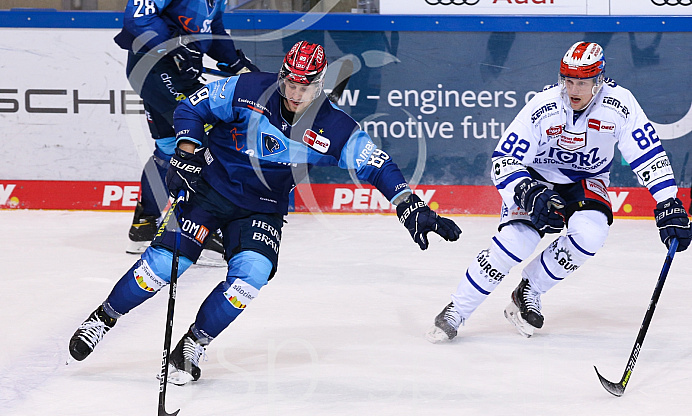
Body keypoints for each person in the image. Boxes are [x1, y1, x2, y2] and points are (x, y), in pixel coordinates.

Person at [69, 41, 461, 384]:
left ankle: (192, 346)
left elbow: (377, 164)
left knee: (250, 277)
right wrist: (186, 153)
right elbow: (192, 107)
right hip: (207, 190)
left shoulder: (334, 126)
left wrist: (409, 203)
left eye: (303, 86)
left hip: (262, 209)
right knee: (162, 267)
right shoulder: (249, 89)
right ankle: (103, 319)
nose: (294, 93)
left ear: (318, 84)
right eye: (290, 83)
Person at [427, 41, 692, 343]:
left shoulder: (621, 105)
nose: (573, 90)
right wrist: (527, 191)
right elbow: (503, 160)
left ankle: (530, 289)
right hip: (536, 178)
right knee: (517, 242)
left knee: (591, 233)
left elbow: (649, 156)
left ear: (599, 81)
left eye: (582, 82)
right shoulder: (544, 105)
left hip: (586, 180)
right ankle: (457, 310)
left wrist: (668, 200)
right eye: (568, 80)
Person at [114, 0, 259, 261]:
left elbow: (211, 30)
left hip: (176, 72)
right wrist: (174, 44)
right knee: (208, 136)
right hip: (153, 68)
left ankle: (144, 224)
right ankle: (197, 228)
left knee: (169, 147)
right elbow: (137, 17)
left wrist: (236, 63)